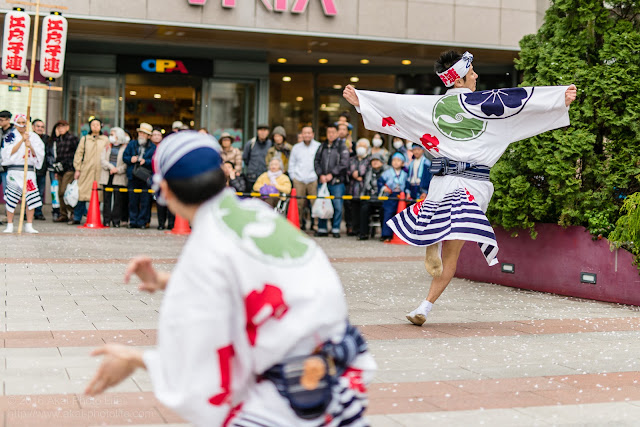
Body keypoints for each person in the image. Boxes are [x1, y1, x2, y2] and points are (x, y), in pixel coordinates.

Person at [84, 131, 376, 426]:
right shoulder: (256, 213)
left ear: (166, 191)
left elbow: (202, 359)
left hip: (283, 405)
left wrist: (137, 359)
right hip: (341, 384)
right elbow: (250, 284)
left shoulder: (206, 247)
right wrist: (167, 281)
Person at [344, 49, 577, 325]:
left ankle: (425, 302)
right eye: (472, 72)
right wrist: (557, 101)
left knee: (450, 246)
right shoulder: (484, 105)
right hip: (459, 183)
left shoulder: (433, 109)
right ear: (458, 79)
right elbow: (520, 103)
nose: (477, 75)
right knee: (451, 249)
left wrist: (363, 103)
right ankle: (431, 270)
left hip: (456, 185)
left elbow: (399, 109)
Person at [1, 114, 45, 233]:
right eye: (19, 122)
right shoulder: (10, 136)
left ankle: (29, 224)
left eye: (23, 122)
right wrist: (21, 140)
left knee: (31, 198)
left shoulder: (34, 137)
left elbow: (40, 154)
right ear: (15, 123)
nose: (21, 125)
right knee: (11, 197)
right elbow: (6, 154)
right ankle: (10, 224)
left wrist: (30, 145)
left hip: (29, 171)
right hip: (14, 171)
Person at [314, 124, 349, 238]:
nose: (331, 135)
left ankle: (335, 229)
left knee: (337, 206)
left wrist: (332, 174)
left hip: (337, 182)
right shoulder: (322, 146)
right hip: (323, 181)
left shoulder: (342, 146)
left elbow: (344, 163)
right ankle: (322, 228)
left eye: (333, 132)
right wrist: (320, 174)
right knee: (322, 204)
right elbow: (316, 161)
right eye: (329, 132)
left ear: (337, 133)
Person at [72, 118, 109, 225]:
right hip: (86, 170)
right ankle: (77, 217)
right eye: (93, 125)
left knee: (98, 195)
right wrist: (77, 169)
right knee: (81, 194)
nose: (95, 127)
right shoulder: (85, 139)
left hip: (100, 171)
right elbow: (78, 154)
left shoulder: (105, 139)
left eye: (97, 124)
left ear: (101, 126)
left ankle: (93, 217)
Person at [123, 123, 156, 229]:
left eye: (144, 133)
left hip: (145, 176)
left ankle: (142, 222)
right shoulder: (132, 144)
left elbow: (155, 161)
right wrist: (131, 159)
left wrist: (145, 161)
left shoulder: (153, 147)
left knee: (145, 201)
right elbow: (125, 157)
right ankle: (133, 221)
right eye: (140, 132)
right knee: (132, 200)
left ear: (149, 136)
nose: (141, 135)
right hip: (133, 175)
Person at [288, 126, 321, 230]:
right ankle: (299, 224)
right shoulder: (296, 148)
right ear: (302, 135)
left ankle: (315, 225)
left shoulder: (318, 146)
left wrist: (318, 176)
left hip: (313, 179)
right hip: (299, 179)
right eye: (305, 133)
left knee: (315, 203)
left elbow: (320, 162)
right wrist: (293, 177)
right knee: (299, 204)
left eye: (309, 133)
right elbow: (292, 163)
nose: (307, 135)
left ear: (313, 134)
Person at [50, 120, 79, 223]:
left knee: (64, 191)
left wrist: (77, 168)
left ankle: (73, 212)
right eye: (59, 127)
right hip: (60, 169)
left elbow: (78, 154)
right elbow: (57, 155)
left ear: (67, 127)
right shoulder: (58, 140)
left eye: (63, 126)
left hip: (70, 168)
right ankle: (63, 214)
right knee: (59, 193)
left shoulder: (73, 138)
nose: (61, 129)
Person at [100, 127, 128, 228]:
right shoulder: (107, 146)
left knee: (118, 200)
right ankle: (106, 220)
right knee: (106, 199)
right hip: (107, 175)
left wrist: (117, 169)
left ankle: (116, 220)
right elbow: (102, 160)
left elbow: (126, 163)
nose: (111, 136)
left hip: (119, 176)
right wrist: (111, 167)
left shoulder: (125, 148)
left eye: (113, 134)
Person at [379, 152, 408, 242]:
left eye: (398, 161)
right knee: (388, 214)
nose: (396, 162)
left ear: (403, 163)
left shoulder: (405, 174)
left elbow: (407, 185)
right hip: (390, 195)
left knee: (400, 215)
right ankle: (386, 235)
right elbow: (380, 182)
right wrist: (384, 188)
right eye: (394, 160)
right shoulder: (387, 173)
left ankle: (399, 234)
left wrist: (407, 192)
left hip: (401, 196)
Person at [358, 153, 388, 240]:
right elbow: (365, 186)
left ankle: (384, 234)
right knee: (364, 208)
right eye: (373, 161)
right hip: (371, 197)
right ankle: (363, 233)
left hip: (383, 198)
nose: (375, 162)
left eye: (377, 160)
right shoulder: (369, 172)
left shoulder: (387, 172)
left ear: (382, 162)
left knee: (384, 209)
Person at [151, 128, 174, 230]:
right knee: (160, 202)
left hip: (173, 178)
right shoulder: (161, 147)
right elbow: (154, 161)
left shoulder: (176, 148)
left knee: (171, 202)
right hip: (161, 177)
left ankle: (171, 223)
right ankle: (161, 223)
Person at [346, 138, 371, 236]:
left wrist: (360, 174)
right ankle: (354, 229)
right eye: (359, 146)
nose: (361, 148)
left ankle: (363, 230)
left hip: (364, 189)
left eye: (363, 146)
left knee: (363, 210)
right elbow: (347, 170)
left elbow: (369, 171)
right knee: (353, 209)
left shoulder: (369, 159)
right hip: (353, 188)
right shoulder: (352, 159)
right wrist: (353, 174)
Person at [243, 124, 272, 191]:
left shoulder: (271, 144)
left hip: (266, 176)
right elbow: (245, 158)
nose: (263, 132)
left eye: (265, 130)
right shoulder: (251, 143)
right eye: (261, 130)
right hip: (252, 177)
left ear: (268, 132)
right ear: (257, 131)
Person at [32, 119, 51, 220]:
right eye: (38, 126)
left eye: (42, 127)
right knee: (30, 192)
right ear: (33, 127)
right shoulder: (29, 138)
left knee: (40, 191)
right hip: (31, 170)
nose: (40, 128)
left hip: (42, 170)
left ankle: (38, 212)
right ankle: (28, 211)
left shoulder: (47, 139)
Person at [0, 110, 14, 222]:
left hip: (7, 167)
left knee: (7, 191)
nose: (0, 122)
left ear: (8, 120)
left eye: (1, 120)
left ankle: (7, 215)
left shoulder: (13, 132)